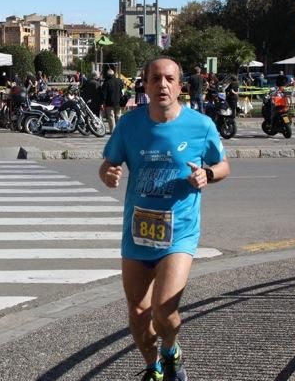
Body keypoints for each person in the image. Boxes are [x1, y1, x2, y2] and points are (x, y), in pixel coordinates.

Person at [98, 57, 230, 381]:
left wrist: (207, 174)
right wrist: (108, 174)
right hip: (137, 233)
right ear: (144, 84)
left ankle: (171, 348)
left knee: (163, 311)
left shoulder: (201, 126)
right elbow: (107, 165)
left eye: (169, 78)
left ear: (180, 85)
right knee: (139, 315)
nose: (162, 85)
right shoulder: (129, 125)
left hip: (179, 233)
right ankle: (153, 366)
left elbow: (224, 166)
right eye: (155, 79)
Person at [103, 68, 124, 134]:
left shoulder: (106, 82)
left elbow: (104, 94)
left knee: (111, 116)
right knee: (118, 115)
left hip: (109, 102)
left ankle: (113, 130)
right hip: (118, 101)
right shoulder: (119, 81)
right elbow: (122, 90)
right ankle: (119, 130)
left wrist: (103, 102)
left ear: (107, 75)